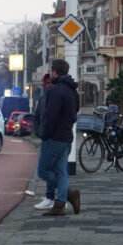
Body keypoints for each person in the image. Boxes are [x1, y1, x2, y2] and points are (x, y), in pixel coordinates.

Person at [38, 59, 81, 216]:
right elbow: (76, 111)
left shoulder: (56, 91)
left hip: (53, 138)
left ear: (54, 71)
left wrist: (44, 134)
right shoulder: (73, 91)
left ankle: (68, 193)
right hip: (67, 137)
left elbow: (51, 116)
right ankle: (60, 204)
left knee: (43, 171)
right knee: (61, 171)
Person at [33, 73, 55, 210]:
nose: (49, 85)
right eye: (47, 83)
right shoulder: (42, 99)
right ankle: (51, 195)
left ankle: (59, 194)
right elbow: (37, 117)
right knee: (45, 170)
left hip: (55, 139)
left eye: (51, 83)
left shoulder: (56, 99)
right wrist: (38, 131)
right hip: (45, 138)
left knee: (44, 170)